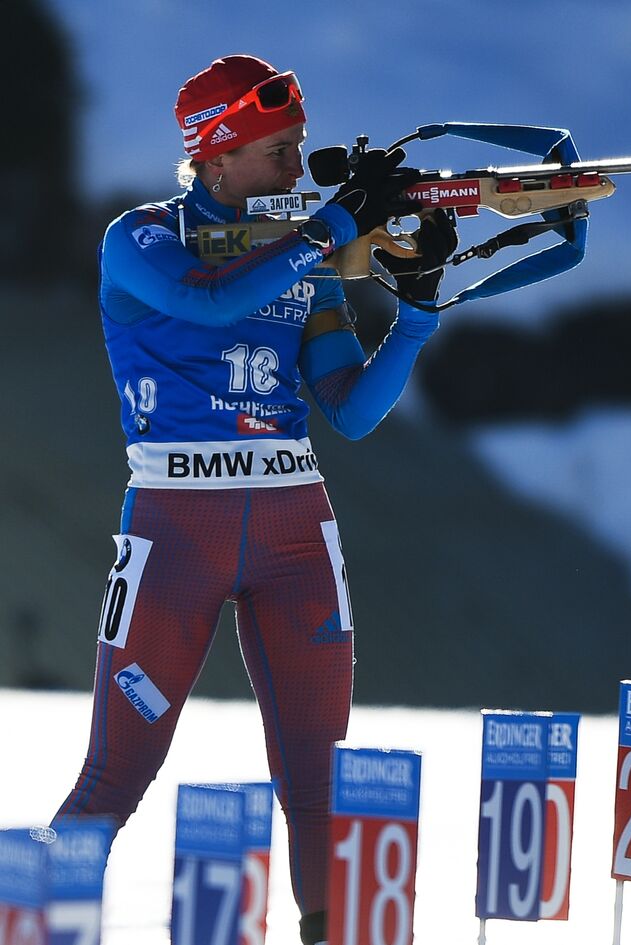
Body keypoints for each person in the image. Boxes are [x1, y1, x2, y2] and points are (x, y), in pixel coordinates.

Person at [53, 54, 455, 945]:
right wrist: (330, 229)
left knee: (320, 779)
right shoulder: (141, 237)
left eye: (301, 148)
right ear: (216, 154)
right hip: (173, 528)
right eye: (278, 152)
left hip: (293, 524)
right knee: (115, 775)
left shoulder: (301, 259)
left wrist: (417, 314)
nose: (294, 171)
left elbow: (348, 409)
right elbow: (206, 303)